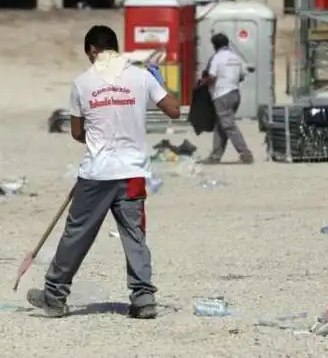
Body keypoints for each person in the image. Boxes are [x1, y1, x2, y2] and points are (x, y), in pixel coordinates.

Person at [27, 25, 181, 319]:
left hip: (96, 173)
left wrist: (100, 137)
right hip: (132, 173)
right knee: (134, 236)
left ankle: (55, 296)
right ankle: (143, 298)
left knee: (76, 235)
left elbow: (76, 132)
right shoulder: (141, 76)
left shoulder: (82, 83)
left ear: (92, 51)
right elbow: (174, 110)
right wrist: (158, 82)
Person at [200, 33, 254, 164]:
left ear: (214, 45)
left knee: (229, 126)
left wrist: (202, 82)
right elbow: (241, 76)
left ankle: (245, 153)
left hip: (221, 95)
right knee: (221, 125)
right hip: (235, 94)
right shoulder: (236, 57)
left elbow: (212, 76)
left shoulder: (217, 58)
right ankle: (215, 156)